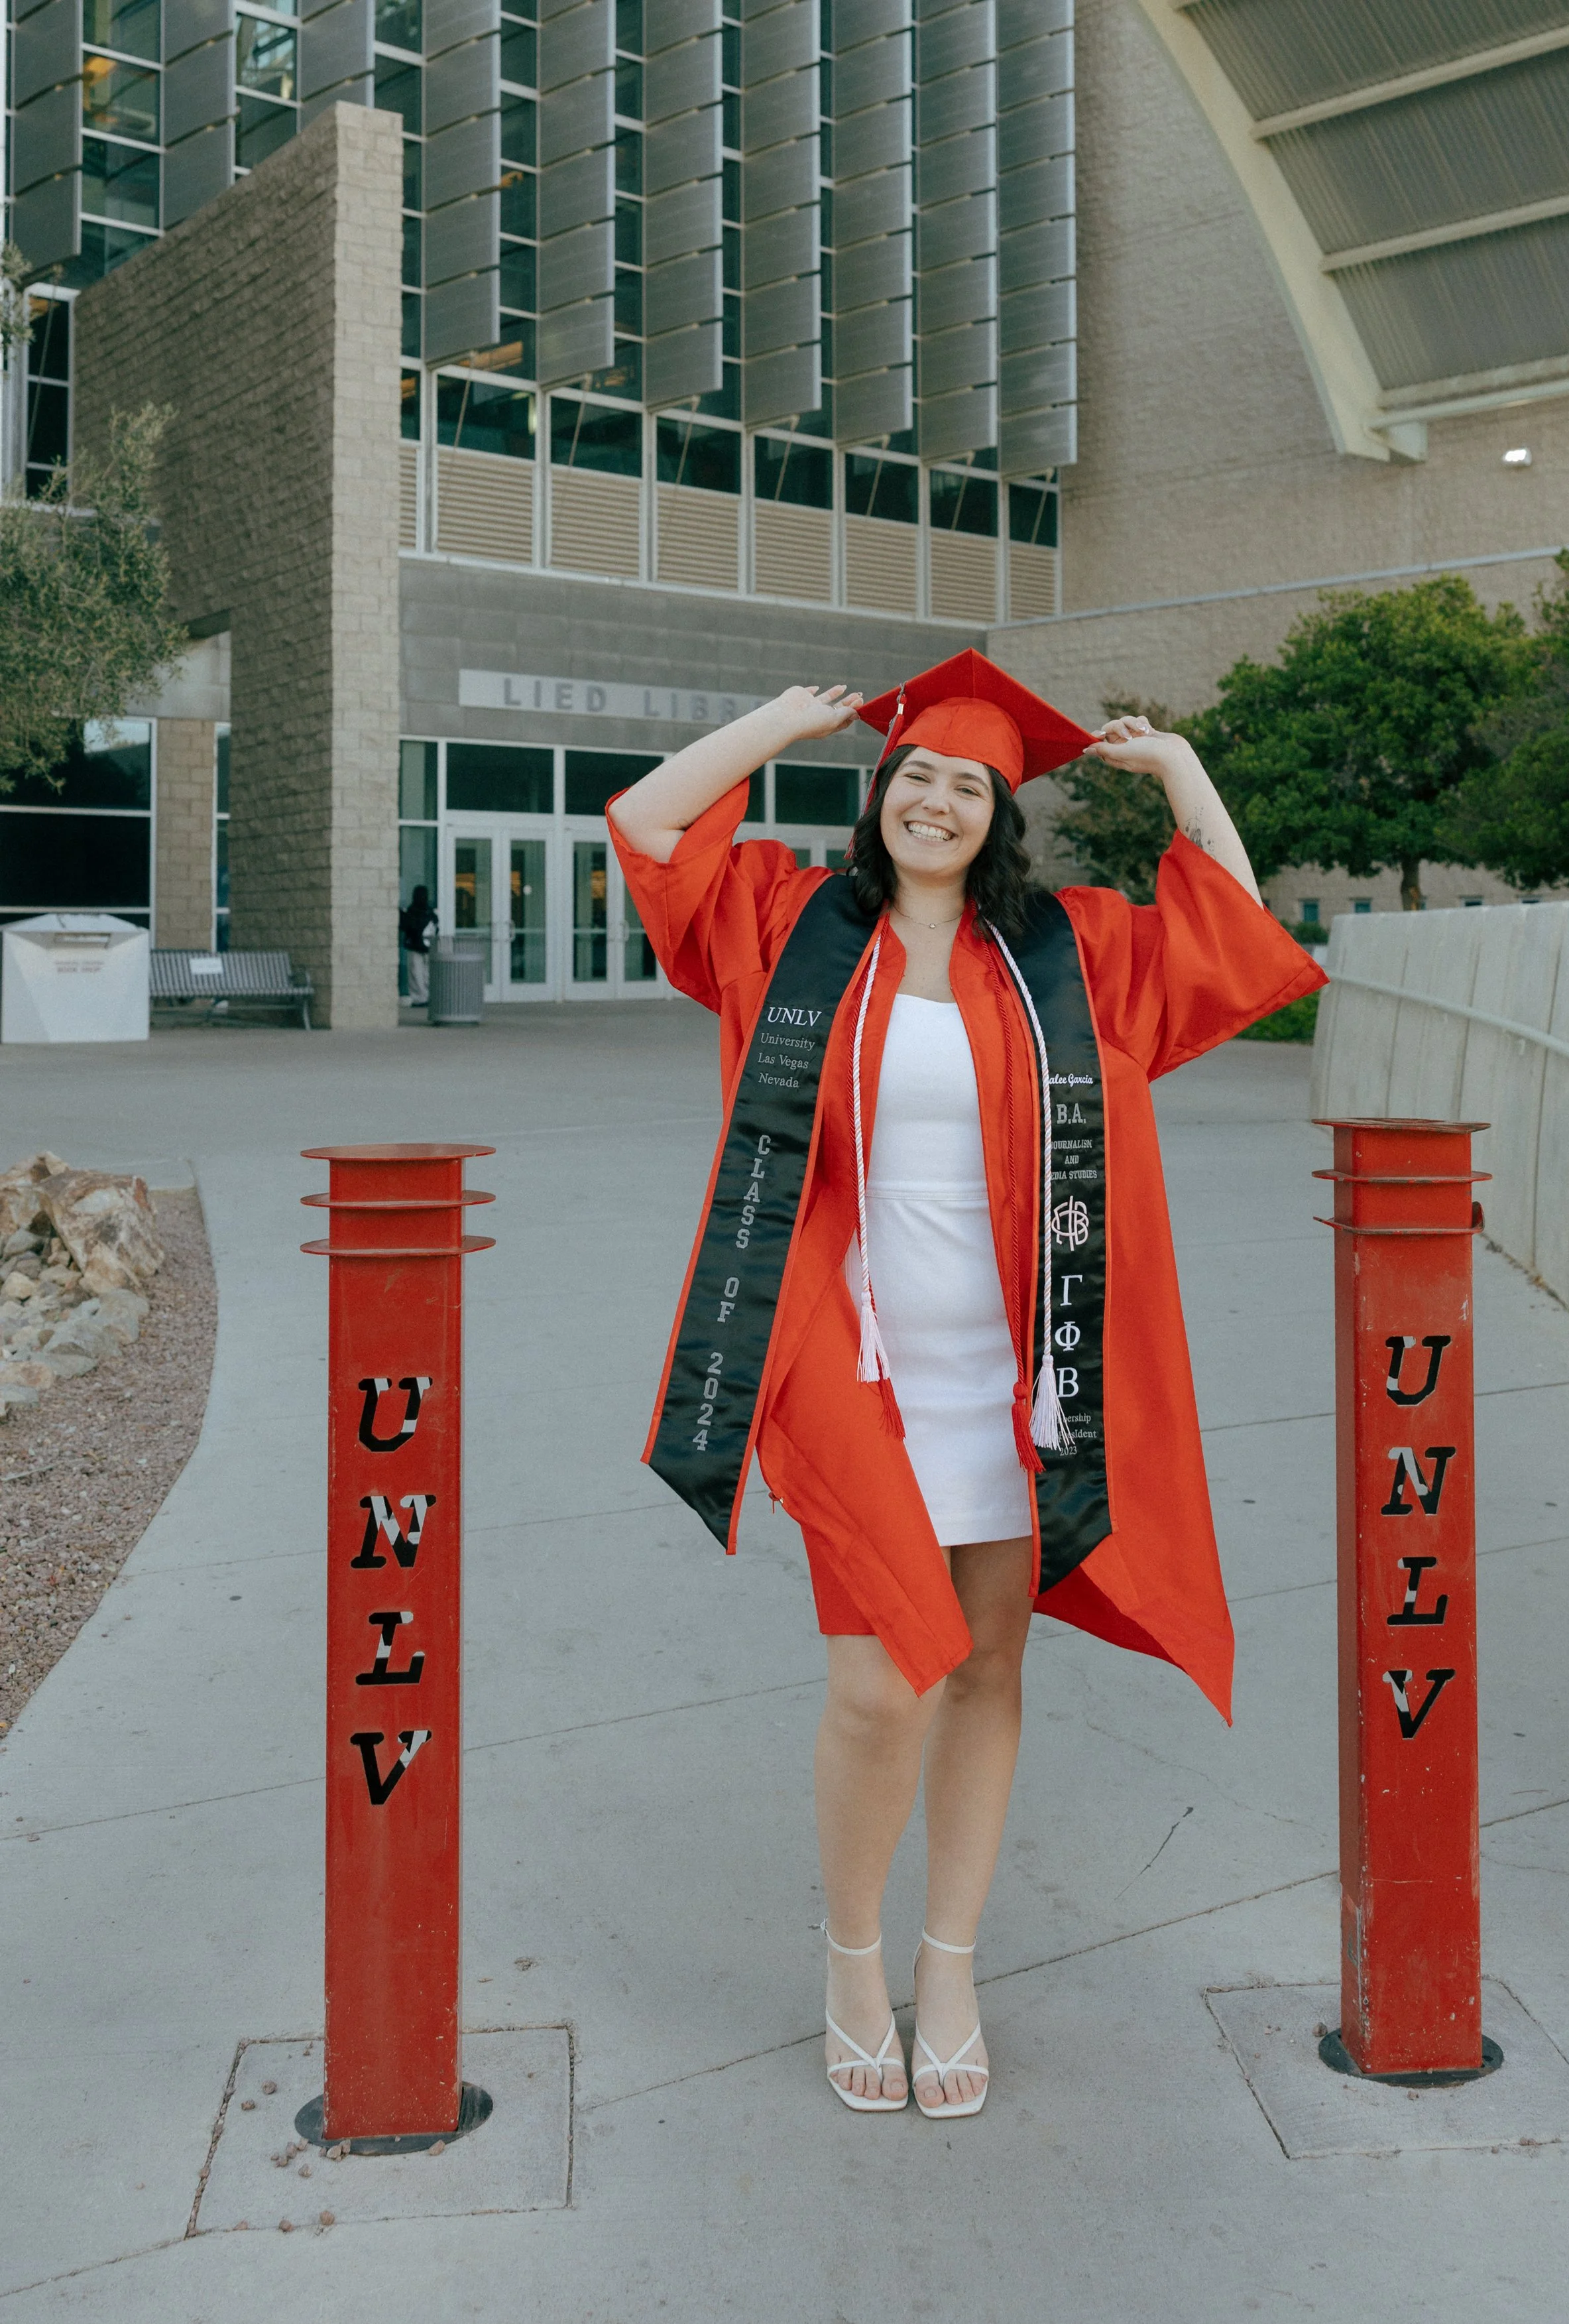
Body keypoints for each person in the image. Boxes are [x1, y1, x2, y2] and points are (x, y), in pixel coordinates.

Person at [609, 650, 1324, 2119]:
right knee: (882, 1684)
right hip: (848, 1366)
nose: (937, 800)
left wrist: (1182, 774)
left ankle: (948, 1966)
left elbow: (1231, 924)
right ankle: (849, 1957)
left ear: (1000, 816)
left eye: (967, 786)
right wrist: (777, 720)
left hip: (1024, 1374)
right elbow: (649, 826)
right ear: (879, 798)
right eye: (915, 777)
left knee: (990, 1666)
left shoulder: (1067, 949)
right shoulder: (785, 922)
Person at [399, 884, 437, 1007]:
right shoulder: (430, 913)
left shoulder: (412, 911)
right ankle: (428, 996)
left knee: (416, 973)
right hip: (428, 946)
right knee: (427, 973)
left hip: (415, 946)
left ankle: (420, 998)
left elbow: (406, 927)